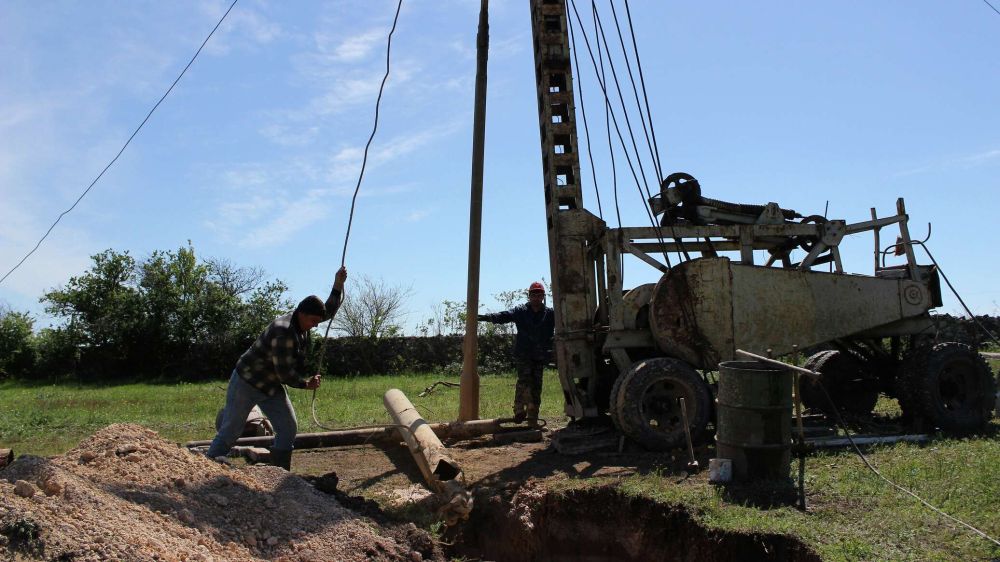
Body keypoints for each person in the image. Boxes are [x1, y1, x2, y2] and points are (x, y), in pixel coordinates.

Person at [206, 266, 347, 470]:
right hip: (247, 382)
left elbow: (328, 310)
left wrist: (337, 285)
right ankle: (208, 467)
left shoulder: (304, 320)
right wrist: (306, 384)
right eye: (313, 321)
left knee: (288, 428)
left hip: (270, 385)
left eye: (317, 321)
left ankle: (281, 474)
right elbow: (285, 374)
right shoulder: (284, 332)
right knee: (231, 430)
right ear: (302, 313)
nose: (316, 326)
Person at [477, 281, 555, 425]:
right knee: (524, 381)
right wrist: (487, 317)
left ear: (543, 297)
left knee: (536, 385)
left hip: (539, 356)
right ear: (529, 296)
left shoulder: (550, 314)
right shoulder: (521, 311)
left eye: (539, 295)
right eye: (534, 294)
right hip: (524, 354)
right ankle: (519, 410)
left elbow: (564, 323)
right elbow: (505, 316)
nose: (536, 297)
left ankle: (533, 416)